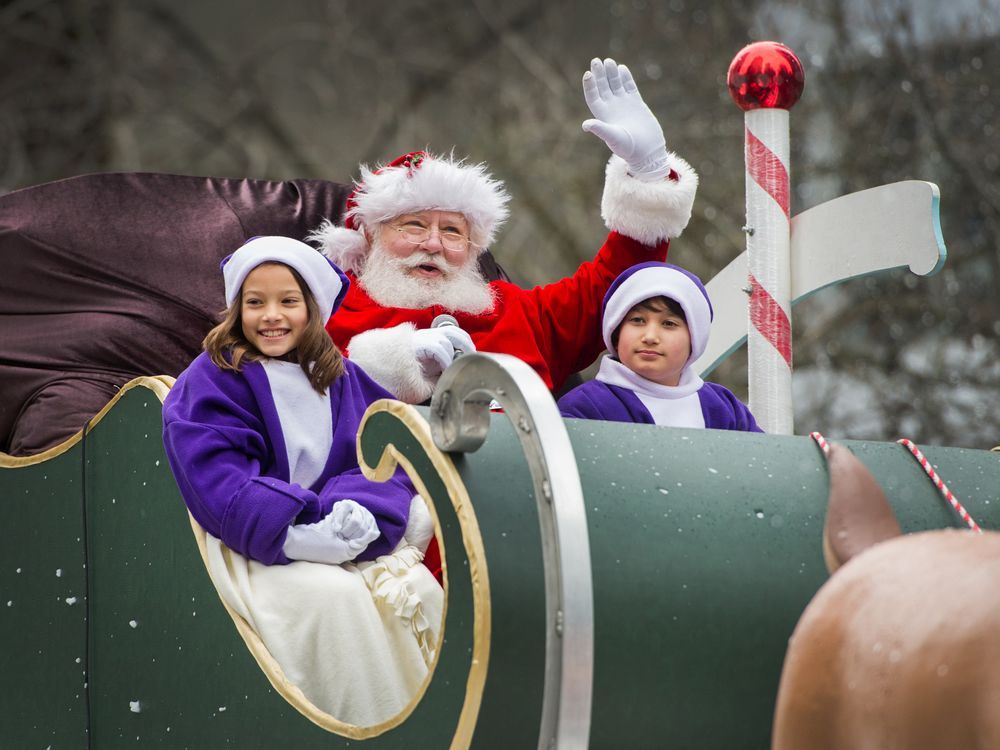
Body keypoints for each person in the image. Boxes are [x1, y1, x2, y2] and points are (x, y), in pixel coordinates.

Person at [162, 236, 441, 725]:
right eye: (255, 303)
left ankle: (435, 722)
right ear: (237, 310)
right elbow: (216, 474)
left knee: (416, 589)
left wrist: (358, 515)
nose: (271, 316)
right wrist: (297, 535)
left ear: (312, 309)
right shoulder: (213, 379)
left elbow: (384, 452)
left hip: (341, 543)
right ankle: (361, 726)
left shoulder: (341, 378)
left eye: (288, 301)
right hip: (251, 547)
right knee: (333, 601)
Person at [308, 58, 698, 404]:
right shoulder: (322, 313)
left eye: (452, 231)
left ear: (472, 248)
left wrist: (648, 173)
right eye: (414, 225)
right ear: (371, 235)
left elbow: (612, 289)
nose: (433, 243)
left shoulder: (518, 313)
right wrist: (385, 363)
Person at [558, 262, 763, 432]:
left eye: (668, 324)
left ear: (694, 338)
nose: (650, 337)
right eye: (637, 320)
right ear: (616, 331)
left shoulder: (724, 408)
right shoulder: (585, 407)